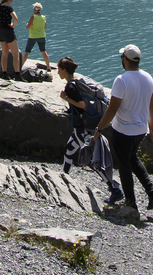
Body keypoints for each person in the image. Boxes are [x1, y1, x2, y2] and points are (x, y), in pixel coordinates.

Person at [93, 44, 153, 211]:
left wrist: (99, 129)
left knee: (124, 165)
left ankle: (131, 202)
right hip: (140, 131)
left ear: (125, 60)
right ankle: (152, 194)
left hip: (123, 131)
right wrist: (152, 129)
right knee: (133, 159)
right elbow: (152, 107)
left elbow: (112, 109)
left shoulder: (121, 80)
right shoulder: (148, 78)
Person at [58, 57, 124, 205]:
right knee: (69, 150)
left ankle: (114, 189)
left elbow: (81, 105)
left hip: (81, 128)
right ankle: (64, 179)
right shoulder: (77, 82)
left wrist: (66, 98)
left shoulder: (70, 87)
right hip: (81, 127)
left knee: (94, 161)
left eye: (59, 70)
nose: (58, 72)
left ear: (65, 70)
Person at [24, 2, 50, 69]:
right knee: (43, 51)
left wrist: (27, 24)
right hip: (42, 36)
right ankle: (48, 67)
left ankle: (19, 67)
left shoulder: (33, 17)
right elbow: (44, 28)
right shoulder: (43, 17)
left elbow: (27, 27)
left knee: (27, 52)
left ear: (35, 9)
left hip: (33, 37)